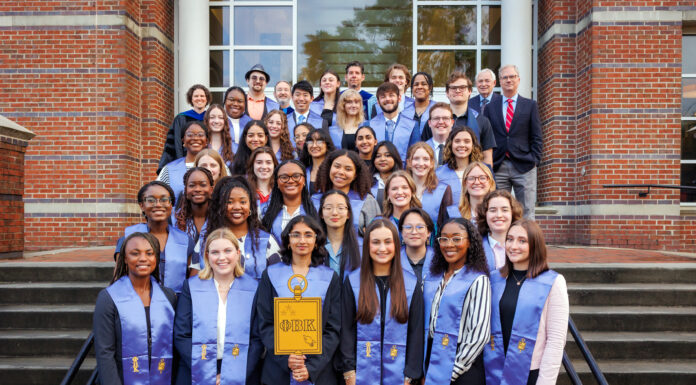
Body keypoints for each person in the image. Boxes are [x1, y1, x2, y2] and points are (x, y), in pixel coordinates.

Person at [256, 216, 341, 385]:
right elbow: (265, 323)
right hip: (278, 372)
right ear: (288, 241)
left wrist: (312, 367)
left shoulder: (330, 277)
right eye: (295, 235)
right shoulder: (271, 275)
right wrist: (285, 358)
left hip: (319, 372)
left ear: (316, 242)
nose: (302, 240)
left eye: (308, 235)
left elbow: (333, 328)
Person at [484, 219, 569, 385]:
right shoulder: (494, 278)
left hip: (530, 373)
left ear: (535, 245)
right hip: (494, 369)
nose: (513, 246)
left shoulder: (553, 282)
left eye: (522, 241)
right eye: (510, 239)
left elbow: (556, 341)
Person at [173, 228, 263, 385]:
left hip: (242, 371)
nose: (222, 257)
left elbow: (257, 339)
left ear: (237, 253)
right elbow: (182, 334)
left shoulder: (253, 288)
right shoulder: (192, 287)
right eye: (215, 252)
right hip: (195, 369)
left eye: (228, 251)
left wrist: (233, 375)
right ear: (207, 256)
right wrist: (206, 372)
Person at [340, 219, 424, 385]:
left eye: (388, 242)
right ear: (367, 246)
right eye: (375, 242)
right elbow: (346, 330)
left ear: (396, 246)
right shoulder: (353, 281)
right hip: (359, 376)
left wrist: (409, 376)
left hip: (401, 378)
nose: (382, 249)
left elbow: (416, 332)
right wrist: (349, 372)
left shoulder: (410, 283)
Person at [94, 232, 177, 384]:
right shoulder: (109, 298)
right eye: (135, 253)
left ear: (156, 258)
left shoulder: (168, 297)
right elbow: (105, 353)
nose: (143, 258)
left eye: (149, 253)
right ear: (125, 259)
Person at [423, 218, 491, 384]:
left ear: (469, 242)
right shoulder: (431, 278)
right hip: (432, 357)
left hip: (463, 367)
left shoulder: (478, 280)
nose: (449, 244)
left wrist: (450, 373)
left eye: (456, 238)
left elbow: (478, 336)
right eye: (444, 239)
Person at [483, 64, 543, 219]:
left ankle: (527, 242)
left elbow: (537, 136)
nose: (508, 80)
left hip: (524, 165)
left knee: (527, 210)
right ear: (499, 82)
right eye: (505, 77)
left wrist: (534, 159)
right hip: (498, 165)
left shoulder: (530, 105)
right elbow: (487, 137)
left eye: (512, 77)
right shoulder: (490, 108)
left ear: (518, 80)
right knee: (498, 209)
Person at [116, 181, 196, 293]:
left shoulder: (185, 241)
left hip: (176, 304)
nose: (158, 204)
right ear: (142, 205)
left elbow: (192, 281)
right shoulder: (128, 238)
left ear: (171, 204)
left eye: (164, 200)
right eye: (151, 200)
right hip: (137, 301)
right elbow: (118, 278)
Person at [203, 176, 280, 280]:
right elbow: (196, 281)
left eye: (243, 202)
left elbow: (278, 280)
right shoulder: (207, 239)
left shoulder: (267, 241)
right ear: (221, 206)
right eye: (229, 202)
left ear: (251, 206)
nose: (237, 207)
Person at [314, 149, 381, 236]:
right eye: (337, 166)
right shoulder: (315, 200)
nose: (341, 172)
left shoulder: (366, 200)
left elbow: (377, 234)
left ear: (355, 175)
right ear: (329, 168)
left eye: (348, 169)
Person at [445, 71, 496, 167]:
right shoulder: (436, 120)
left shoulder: (482, 121)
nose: (458, 90)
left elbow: (487, 157)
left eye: (462, 87)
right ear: (447, 93)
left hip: (473, 177)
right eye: (453, 88)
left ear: (469, 92)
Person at [261, 159, 318, 243]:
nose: (290, 181)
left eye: (296, 176)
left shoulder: (317, 207)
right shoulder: (264, 210)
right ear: (277, 182)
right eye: (284, 177)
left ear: (304, 180)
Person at [158, 84, 211, 173]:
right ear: (191, 99)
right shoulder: (181, 118)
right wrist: (181, 162)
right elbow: (176, 142)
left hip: (207, 160)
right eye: (196, 96)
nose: (199, 98)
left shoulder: (211, 118)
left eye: (202, 96)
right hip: (186, 160)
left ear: (206, 99)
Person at [157, 121, 208, 206]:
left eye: (200, 135)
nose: (195, 138)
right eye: (190, 135)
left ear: (206, 141)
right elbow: (156, 195)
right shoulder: (169, 170)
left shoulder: (216, 166)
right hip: (176, 218)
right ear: (183, 140)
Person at [405, 142, 453, 228]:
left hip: (432, 239)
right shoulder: (401, 189)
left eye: (425, 159)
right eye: (416, 159)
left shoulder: (443, 190)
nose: (421, 163)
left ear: (432, 164)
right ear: (409, 163)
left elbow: (447, 224)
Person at [368, 82, 419, 163]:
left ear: (399, 98)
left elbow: (416, 154)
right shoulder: (370, 125)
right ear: (378, 102)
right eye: (383, 96)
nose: (387, 99)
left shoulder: (412, 125)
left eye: (391, 95)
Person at [318, 190, 362, 280]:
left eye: (340, 208)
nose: (334, 212)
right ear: (321, 214)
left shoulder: (362, 245)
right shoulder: (313, 245)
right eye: (328, 208)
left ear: (348, 214)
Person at [476, 190, 523, 272]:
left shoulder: (525, 245)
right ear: (485, 214)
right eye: (493, 210)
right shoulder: (475, 246)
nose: (499, 215)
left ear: (512, 213)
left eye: (504, 210)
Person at [436, 126, 485, 203]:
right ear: (450, 144)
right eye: (457, 141)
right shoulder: (439, 174)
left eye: (467, 141)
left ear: (473, 145)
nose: (462, 145)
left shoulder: (484, 172)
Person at [175, 167, 214, 245]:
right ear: (186, 190)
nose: (197, 189)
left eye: (203, 185)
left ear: (211, 190)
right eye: (192, 185)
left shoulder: (221, 218)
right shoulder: (175, 219)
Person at [398, 208, 435, 284]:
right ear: (401, 232)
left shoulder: (439, 260)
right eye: (408, 227)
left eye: (420, 227)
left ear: (429, 232)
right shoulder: (394, 261)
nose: (414, 232)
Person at [287, 80, 325, 145]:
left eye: (305, 95)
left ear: (311, 98)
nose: (301, 99)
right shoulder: (284, 120)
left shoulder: (321, 121)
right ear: (292, 97)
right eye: (297, 95)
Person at [300, 128, 336, 194]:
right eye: (310, 142)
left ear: (327, 145)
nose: (314, 146)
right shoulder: (303, 171)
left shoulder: (334, 170)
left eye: (319, 141)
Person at [370, 141, 403, 207]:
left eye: (387, 155)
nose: (382, 159)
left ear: (395, 158)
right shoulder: (367, 182)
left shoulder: (403, 180)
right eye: (378, 156)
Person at [408, 72, 436, 141]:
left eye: (424, 84)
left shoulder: (438, 109)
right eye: (416, 84)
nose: (419, 87)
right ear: (412, 88)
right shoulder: (404, 112)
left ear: (430, 87)